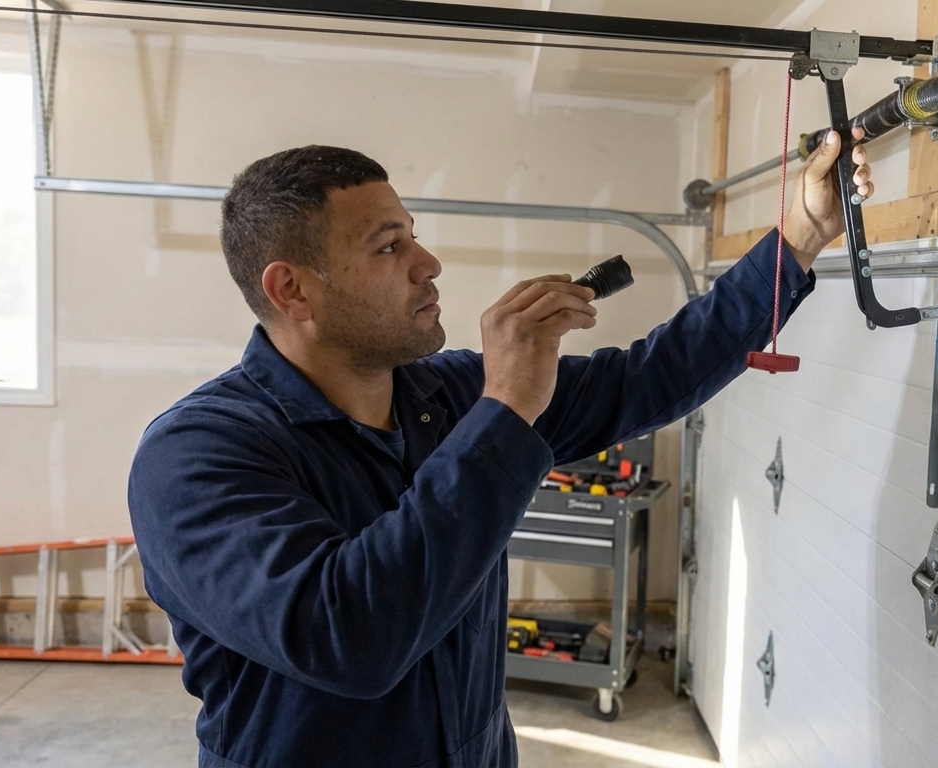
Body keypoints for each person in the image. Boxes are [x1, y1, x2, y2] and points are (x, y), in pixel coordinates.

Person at [127, 129, 873, 768]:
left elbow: (653, 377)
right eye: (389, 246)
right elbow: (353, 635)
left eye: (412, 232)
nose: (429, 263)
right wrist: (509, 405)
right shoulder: (195, 457)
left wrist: (801, 235)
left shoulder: (447, 396)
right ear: (292, 291)